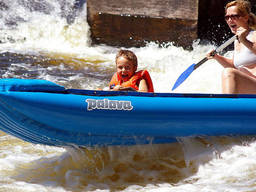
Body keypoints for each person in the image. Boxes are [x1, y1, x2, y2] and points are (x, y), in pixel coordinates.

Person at [207, 0, 256, 94]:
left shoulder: (254, 35)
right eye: (227, 17)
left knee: (229, 72)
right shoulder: (236, 41)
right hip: (248, 87)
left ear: (245, 18)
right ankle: (229, 105)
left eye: (234, 16)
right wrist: (217, 57)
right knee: (229, 71)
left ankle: (226, 107)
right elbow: (234, 66)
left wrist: (244, 41)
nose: (230, 20)